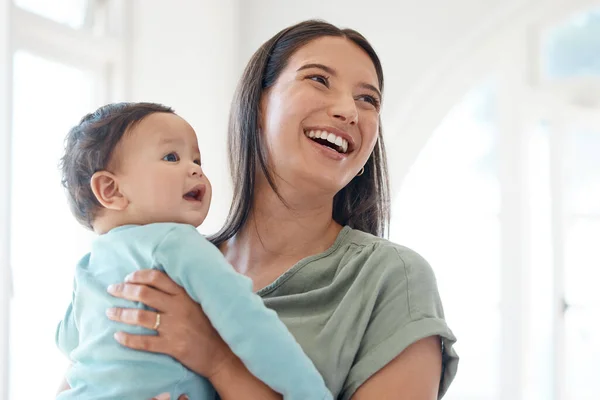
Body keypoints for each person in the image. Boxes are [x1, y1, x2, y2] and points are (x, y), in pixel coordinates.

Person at [60, 19, 459, 399]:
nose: (349, 112)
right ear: (258, 103)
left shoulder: (392, 280)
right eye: (319, 79)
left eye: (367, 100)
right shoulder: (160, 265)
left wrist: (217, 360)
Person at [55, 102, 332, 399]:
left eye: (198, 161)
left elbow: (68, 341)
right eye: (171, 157)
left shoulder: (88, 264)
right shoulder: (178, 243)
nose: (195, 170)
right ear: (111, 190)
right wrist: (311, 393)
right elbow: (254, 328)